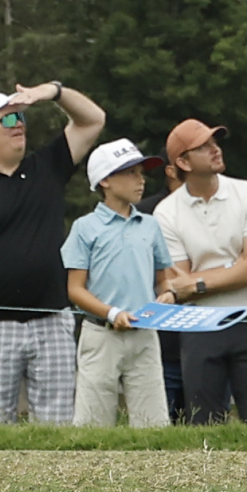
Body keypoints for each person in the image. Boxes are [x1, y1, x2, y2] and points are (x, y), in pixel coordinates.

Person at [0, 82, 107, 425]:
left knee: (57, 432)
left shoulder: (47, 167)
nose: (20, 124)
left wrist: (53, 92)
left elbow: (93, 120)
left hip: (52, 322)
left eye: (22, 118)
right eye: (9, 119)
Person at [151, 118, 247, 424]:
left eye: (214, 142)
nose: (215, 150)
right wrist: (234, 268)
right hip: (199, 326)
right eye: (203, 147)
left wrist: (199, 283)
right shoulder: (166, 212)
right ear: (183, 161)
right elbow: (175, 283)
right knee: (203, 424)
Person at [61, 138, 172, 429]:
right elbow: (75, 289)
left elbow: (163, 280)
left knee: (153, 425)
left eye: (141, 173)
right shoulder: (85, 228)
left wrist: (168, 295)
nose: (141, 180)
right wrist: (112, 313)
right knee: (92, 426)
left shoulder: (150, 225)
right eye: (131, 173)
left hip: (145, 335)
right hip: (101, 335)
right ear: (106, 180)